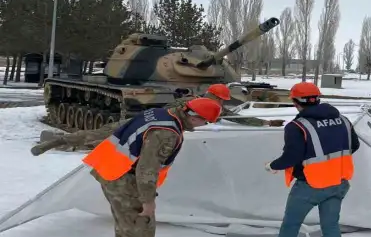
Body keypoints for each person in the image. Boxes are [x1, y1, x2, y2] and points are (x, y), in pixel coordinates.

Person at [76, 98, 220, 237]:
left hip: (109, 170)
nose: (205, 125)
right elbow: (146, 170)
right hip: (124, 179)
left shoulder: (159, 113)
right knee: (141, 224)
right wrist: (148, 201)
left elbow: (115, 127)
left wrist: (69, 138)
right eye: (206, 121)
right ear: (195, 118)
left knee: (126, 220)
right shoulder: (167, 133)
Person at [253, 82, 360, 237]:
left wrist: (272, 166)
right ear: (318, 99)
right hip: (338, 183)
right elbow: (353, 146)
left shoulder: (297, 126)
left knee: (291, 225)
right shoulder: (344, 120)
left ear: (295, 101)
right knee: (330, 227)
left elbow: (291, 157)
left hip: (310, 186)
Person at [31, 84, 283, 155]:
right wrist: (266, 124)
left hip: (145, 119)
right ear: (216, 97)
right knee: (108, 140)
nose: (222, 106)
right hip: (153, 128)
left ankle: (60, 140)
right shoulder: (205, 106)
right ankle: (61, 141)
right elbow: (237, 121)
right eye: (222, 101)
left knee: (102, 134)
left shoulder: (195, 100)